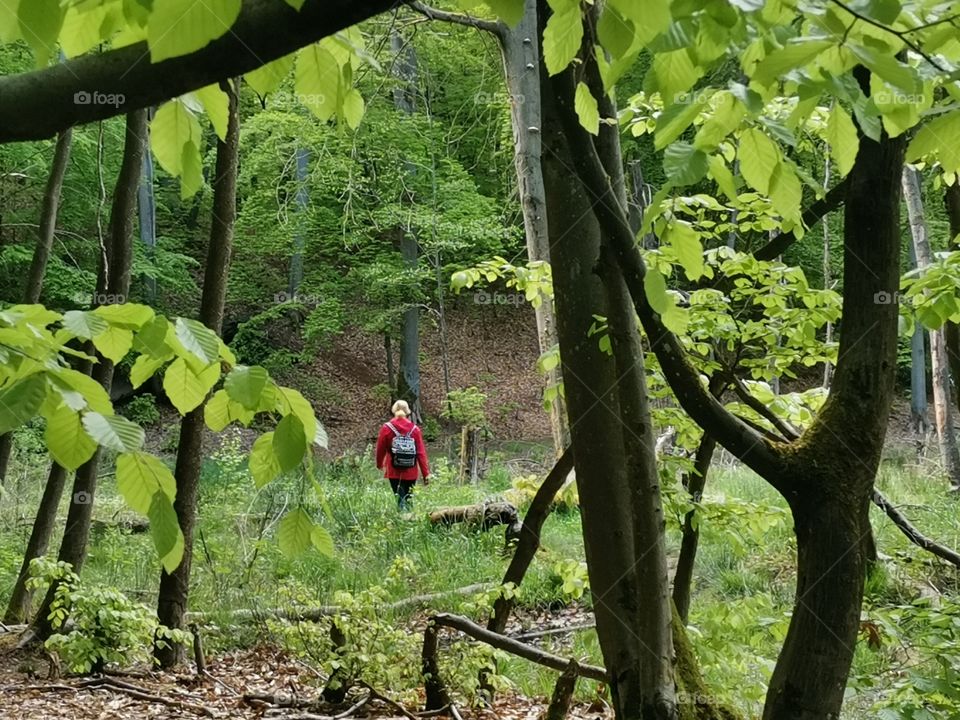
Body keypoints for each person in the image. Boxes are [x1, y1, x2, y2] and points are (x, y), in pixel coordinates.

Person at [375, 400, 430, 511]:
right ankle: (410, 522)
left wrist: (379, 464)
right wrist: (426, 474)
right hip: (411, 471)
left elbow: (380, 449)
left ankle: (401, 521)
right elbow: (420, 453)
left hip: (394, 470)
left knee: (399, 498)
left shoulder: (387, 428)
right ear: (408, 412)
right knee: (409, 499)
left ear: (394, 411)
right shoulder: (415, 430)